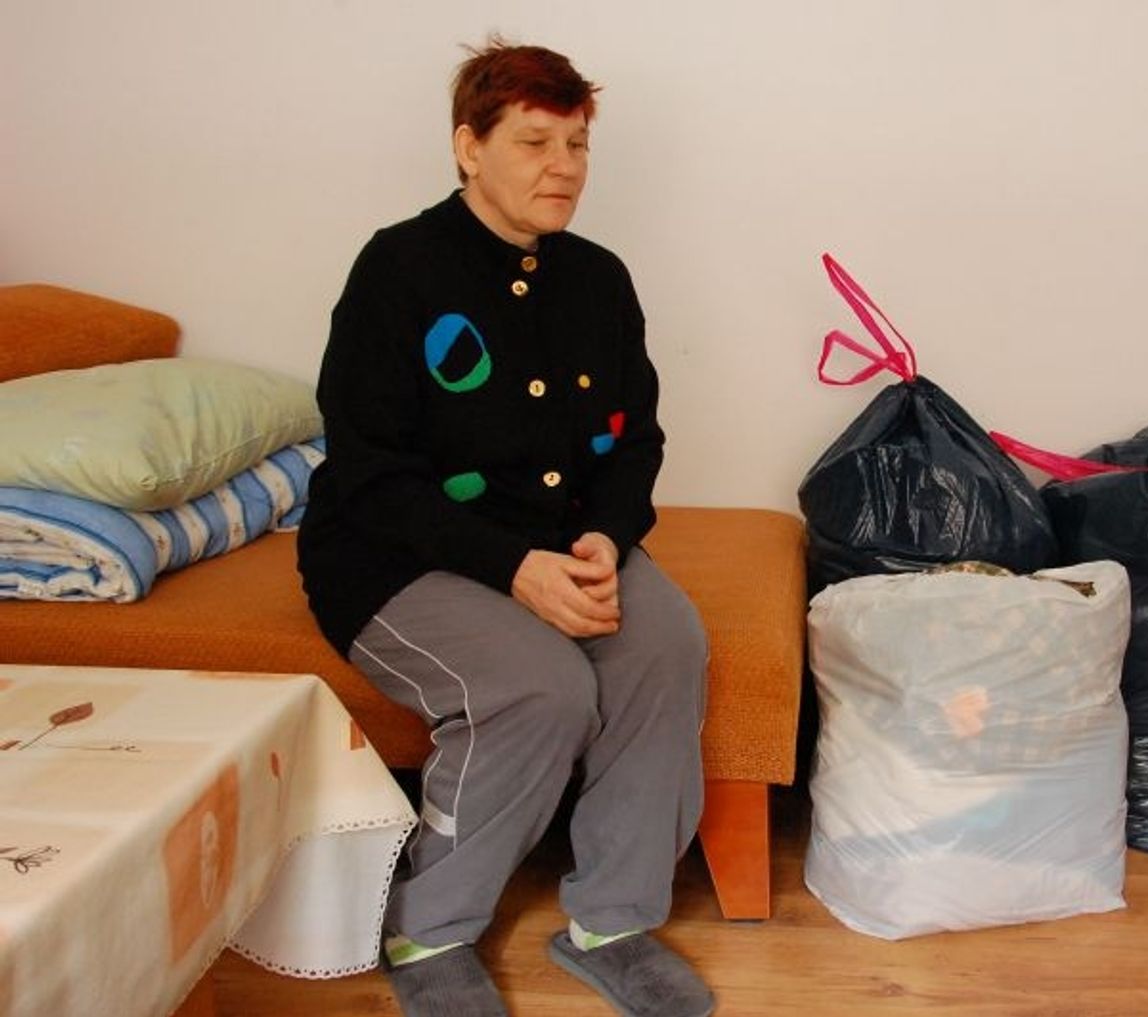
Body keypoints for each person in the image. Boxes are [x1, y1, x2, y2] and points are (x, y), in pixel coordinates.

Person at [297, 39, 714, 1017]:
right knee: (540, 687)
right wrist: (513, 567)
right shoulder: (397, 269)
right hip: (398, 553)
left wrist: (608, 536)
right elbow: (370, 470)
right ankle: (428, 927)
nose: (563, 166)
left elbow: (635, 441)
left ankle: (612, 920)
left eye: (577, 144)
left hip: (561, 539)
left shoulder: (600, 279)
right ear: (468, 147)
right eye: (534, 142)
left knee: (669, 646)